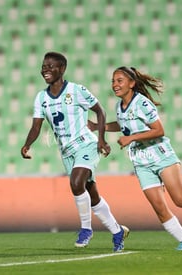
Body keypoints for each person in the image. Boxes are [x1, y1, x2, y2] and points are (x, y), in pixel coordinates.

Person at [88, 66, 182, 250]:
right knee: (159, 208)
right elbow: (123, 124)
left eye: (119, 81)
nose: (115, 85)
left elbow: (159, 130)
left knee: (181, 201)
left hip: (161, 155)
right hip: (141, 162)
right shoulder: (119, 106)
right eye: (113, 81)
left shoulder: (141, 103)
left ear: (132, 83)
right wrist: (97, 126)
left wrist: (131, 138)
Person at [20, 52, 129, 252]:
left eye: (50, 66)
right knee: (92, 195)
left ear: (61, 69)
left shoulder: (76, 90)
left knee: (76, 183)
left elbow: (100, 111)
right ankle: (117, 231)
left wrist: (102, 139)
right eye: (44, 66)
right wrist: (27, 144)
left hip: (86, 144)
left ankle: (86, 229)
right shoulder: (41, 97)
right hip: (67, 151)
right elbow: (36, 126)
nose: (45, 69)